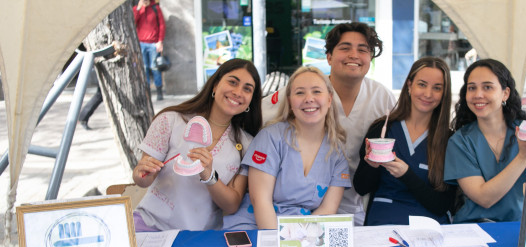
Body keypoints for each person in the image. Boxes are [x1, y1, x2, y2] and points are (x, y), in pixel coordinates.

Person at [262, 22, 396, 225]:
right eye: (345, 48)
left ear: (370, 58)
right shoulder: (307, 90)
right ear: (329, 57)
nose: (354, 55)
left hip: (360, 203)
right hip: (306, 203)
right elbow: (256, 116)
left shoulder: (382, 97)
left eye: (363, 49)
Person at [132, 59, 262, 231]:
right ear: (215, 85)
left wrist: (209, 176)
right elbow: (143, 180)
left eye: (247, 89)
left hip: (201, 238)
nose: (238, 92)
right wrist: (141, 172)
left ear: (251, 100)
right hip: (150, 225)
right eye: (232, 82)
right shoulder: (170, 120)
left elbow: (231, 205)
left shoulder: (247, 144)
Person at [224, 66, 350, 230]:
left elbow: (327, 210)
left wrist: (302, 242)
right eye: (299, 92)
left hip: (302, 233)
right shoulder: (270, 138)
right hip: (256, 227)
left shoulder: (337, 152)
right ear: (290, 101)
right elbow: (260, 201)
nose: (308, 98)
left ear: (329, 99)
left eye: (317, 91)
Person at [444, 58, 526, 223]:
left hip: (522, 227)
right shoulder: (460, 141)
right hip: (475, 229)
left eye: (487, 87)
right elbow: (484, 198)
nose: (478, 94)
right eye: (472, 88)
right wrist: (523, 157)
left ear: (505, 93)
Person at [354, 57, 456, 225]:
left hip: (429, 229)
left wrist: (406, 175)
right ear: (409, 85)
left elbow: (443, 205)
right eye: (422, 84)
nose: (428, 94)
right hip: (383, 224)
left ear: (444, 93)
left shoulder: (449, 140)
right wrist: (371, 166)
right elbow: (361, 188)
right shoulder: (382, 129)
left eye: (437, 88)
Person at [133, 0, 166, 101]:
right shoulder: (136, 9)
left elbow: (162, 25)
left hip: (153, 44)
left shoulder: (155, 8)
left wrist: (160, 41)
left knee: (155, 67)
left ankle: (159, 90)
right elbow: (133, 22)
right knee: (144, 68)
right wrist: (138, 9)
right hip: (141, 44)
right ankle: (147, 92)